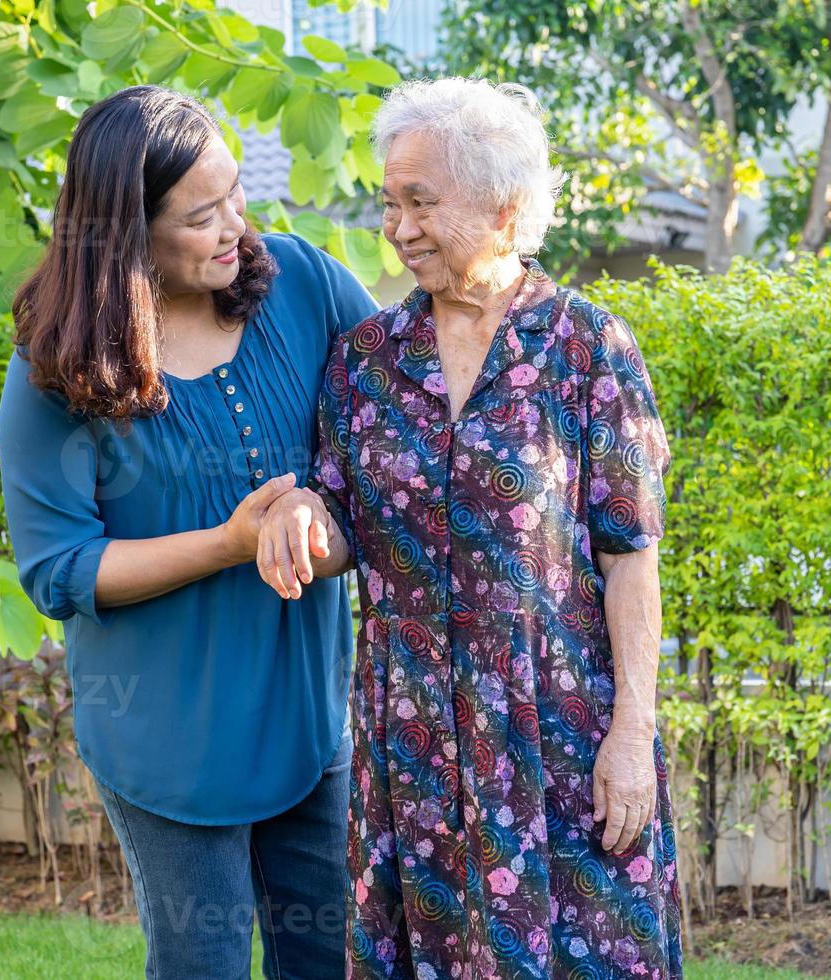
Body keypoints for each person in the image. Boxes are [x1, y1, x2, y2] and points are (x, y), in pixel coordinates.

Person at [256, 78, 685, 978]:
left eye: (422, 202)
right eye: (389, 203)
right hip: (411, 743)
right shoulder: (367, 360)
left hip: (560, 735)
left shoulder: (588, 349)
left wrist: (632, 737)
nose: (400, 228)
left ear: (506, 208)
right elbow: (341, 530)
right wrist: (300, 513)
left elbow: (630, 558)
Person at [0, 85, 377, 979]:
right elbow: (59, 570)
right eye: (202, 216)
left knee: (329, 957)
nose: (235, 228)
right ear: (124, 233)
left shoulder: (306, 287)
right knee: (202, 962)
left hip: (307, 717)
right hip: (168, 739)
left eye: (236, 196)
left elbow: (398, 433)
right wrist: (230, 540)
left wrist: (314, 507)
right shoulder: (60, 365)